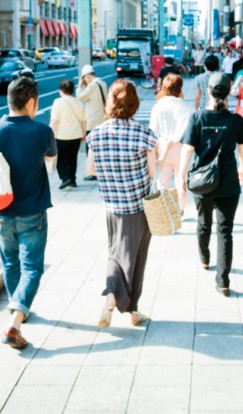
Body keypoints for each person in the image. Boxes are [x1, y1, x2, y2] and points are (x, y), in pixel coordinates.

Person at [0, 76, 57, 350]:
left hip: (1, 211)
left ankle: (18, 307)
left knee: (10, 264)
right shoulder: (42, 132)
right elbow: (50, 160)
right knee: (32, 267)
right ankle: (15, 321)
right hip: (32, 211)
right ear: (31, 102)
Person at [86, 79, 158, 328]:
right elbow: (151, 173)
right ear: (134, 104)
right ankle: (118, 301)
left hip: (112, 207)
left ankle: (122, 304)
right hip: (138, 208)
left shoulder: (96, 134)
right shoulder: (144, 133)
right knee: (136, 259)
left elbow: (90, 169)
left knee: (116, 254)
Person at [178, 73, 243, 296]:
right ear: (228, 93)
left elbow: (187, 149)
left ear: (208, 92)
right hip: (228, 182)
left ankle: (204, 258)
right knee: (225, 231)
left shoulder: (197, 118)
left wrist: (181, 177)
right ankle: (223, 281)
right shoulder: (236, 120)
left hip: (201, 181)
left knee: (203, 223)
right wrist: (242, 168)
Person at [149, 73, 194, 199]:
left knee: (162, 182)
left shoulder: (158, 107)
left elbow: (153, 132)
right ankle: (180, 210)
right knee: (181, 181)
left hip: (163, 148)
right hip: (182, 149)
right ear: (180, 88)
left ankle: (165, 210)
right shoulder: (187, 108)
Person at [50, 78, 87, 189]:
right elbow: (83, 121)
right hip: (76, 135)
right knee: (72, 158)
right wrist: (84, 134)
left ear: (61, 90)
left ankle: (66, 178)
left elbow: (54, 121)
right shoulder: (79, 102)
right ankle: (72, 180)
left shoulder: (58, 102)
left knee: (59, 158)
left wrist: (51, 133)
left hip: (61, 136)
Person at [77, 64, 107, 181]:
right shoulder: (102, 83)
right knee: (100, 147)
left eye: (84, 79)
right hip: (102, 120)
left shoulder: (92, 86)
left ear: (87, 77)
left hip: (93, 121)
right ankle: (101, 170)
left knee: (91, 148)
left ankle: (93, 172)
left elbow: (79, 97)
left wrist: (80, 86)